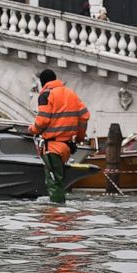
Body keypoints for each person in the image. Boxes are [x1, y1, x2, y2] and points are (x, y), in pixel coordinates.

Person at [28, 69, 90, 204]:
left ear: (42, 82)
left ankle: (56, 216)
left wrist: (32, 130)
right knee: (60, 181)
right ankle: (63, 213)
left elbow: (43, 120)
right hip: (66, 147)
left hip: (52, 147)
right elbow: (84, 116)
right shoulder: (71, 94)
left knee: (53, 182)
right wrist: (79, 137)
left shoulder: (45, 95)